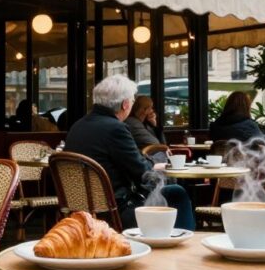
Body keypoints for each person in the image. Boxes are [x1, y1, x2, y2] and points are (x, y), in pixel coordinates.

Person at [65, 75, 195, 231]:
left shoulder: (77, 126)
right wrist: (155, 166)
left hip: (80, 212)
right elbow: (142, 173)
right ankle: (182, 247)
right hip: (117, 213)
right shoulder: (115, 128)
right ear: (125, 105)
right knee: (176, 192)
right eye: (132, 101)